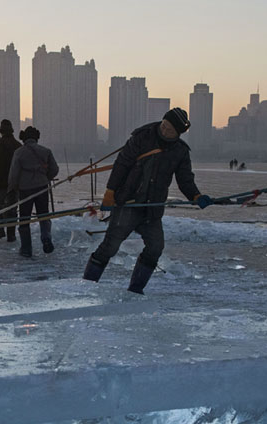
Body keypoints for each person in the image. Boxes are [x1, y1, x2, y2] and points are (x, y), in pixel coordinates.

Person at [83, 107, 213, 293]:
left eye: (170, 130)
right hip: (128, 203)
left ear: (178, 134)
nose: (165, 130)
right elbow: (121, 165)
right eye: (164, 125)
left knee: (156, 246)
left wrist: (196, 196)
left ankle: (135, 290)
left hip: (152, 208)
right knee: (109, 247)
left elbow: (185, 179)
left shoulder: (180, 151)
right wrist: (110, 193)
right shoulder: (142, 138)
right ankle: (87, 286)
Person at [7, 126, 59, 257]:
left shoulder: (19, 152)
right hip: (42, 187)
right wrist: (46, 178)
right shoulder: (46, 151)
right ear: (36, 137)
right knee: (44, 216)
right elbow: (55, 169)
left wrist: (12, 188)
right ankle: (46, 238)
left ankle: (26, 248)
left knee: (24, 219)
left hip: (25, 189)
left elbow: (14, 174)